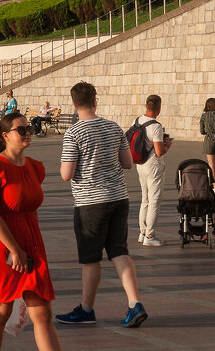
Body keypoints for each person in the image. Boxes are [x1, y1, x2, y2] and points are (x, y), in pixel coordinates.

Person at [0, 112, 94, 351]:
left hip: (31, 242)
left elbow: (31, 206)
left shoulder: (34, 167)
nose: (27, 133)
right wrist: (14, 248)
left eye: (29, 129)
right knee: (0, 313)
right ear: (5, 135)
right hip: (2, 245)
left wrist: (31, 243)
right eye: (21, 130)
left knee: (43, 312)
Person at [56, 81, 147, 328]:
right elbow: (128, 163)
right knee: (119, 251)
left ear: (74, 104)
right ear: (95, 100)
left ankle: (87, 309)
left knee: (91, 258)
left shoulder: (74, 133)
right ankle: (134, 303)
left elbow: (66, 174)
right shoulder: (114, 127)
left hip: (90, 203)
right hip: (118, 197)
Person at [133, 95, 171, 247]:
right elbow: (159, 151)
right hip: (153, 165)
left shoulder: (136, 121)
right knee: (154, 200)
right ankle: (150, 235)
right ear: (159, 108)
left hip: (140, 164)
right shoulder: (156, 126)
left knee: (145, 199)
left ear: (146, 105)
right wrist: (168, 145)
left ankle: (142, 232)